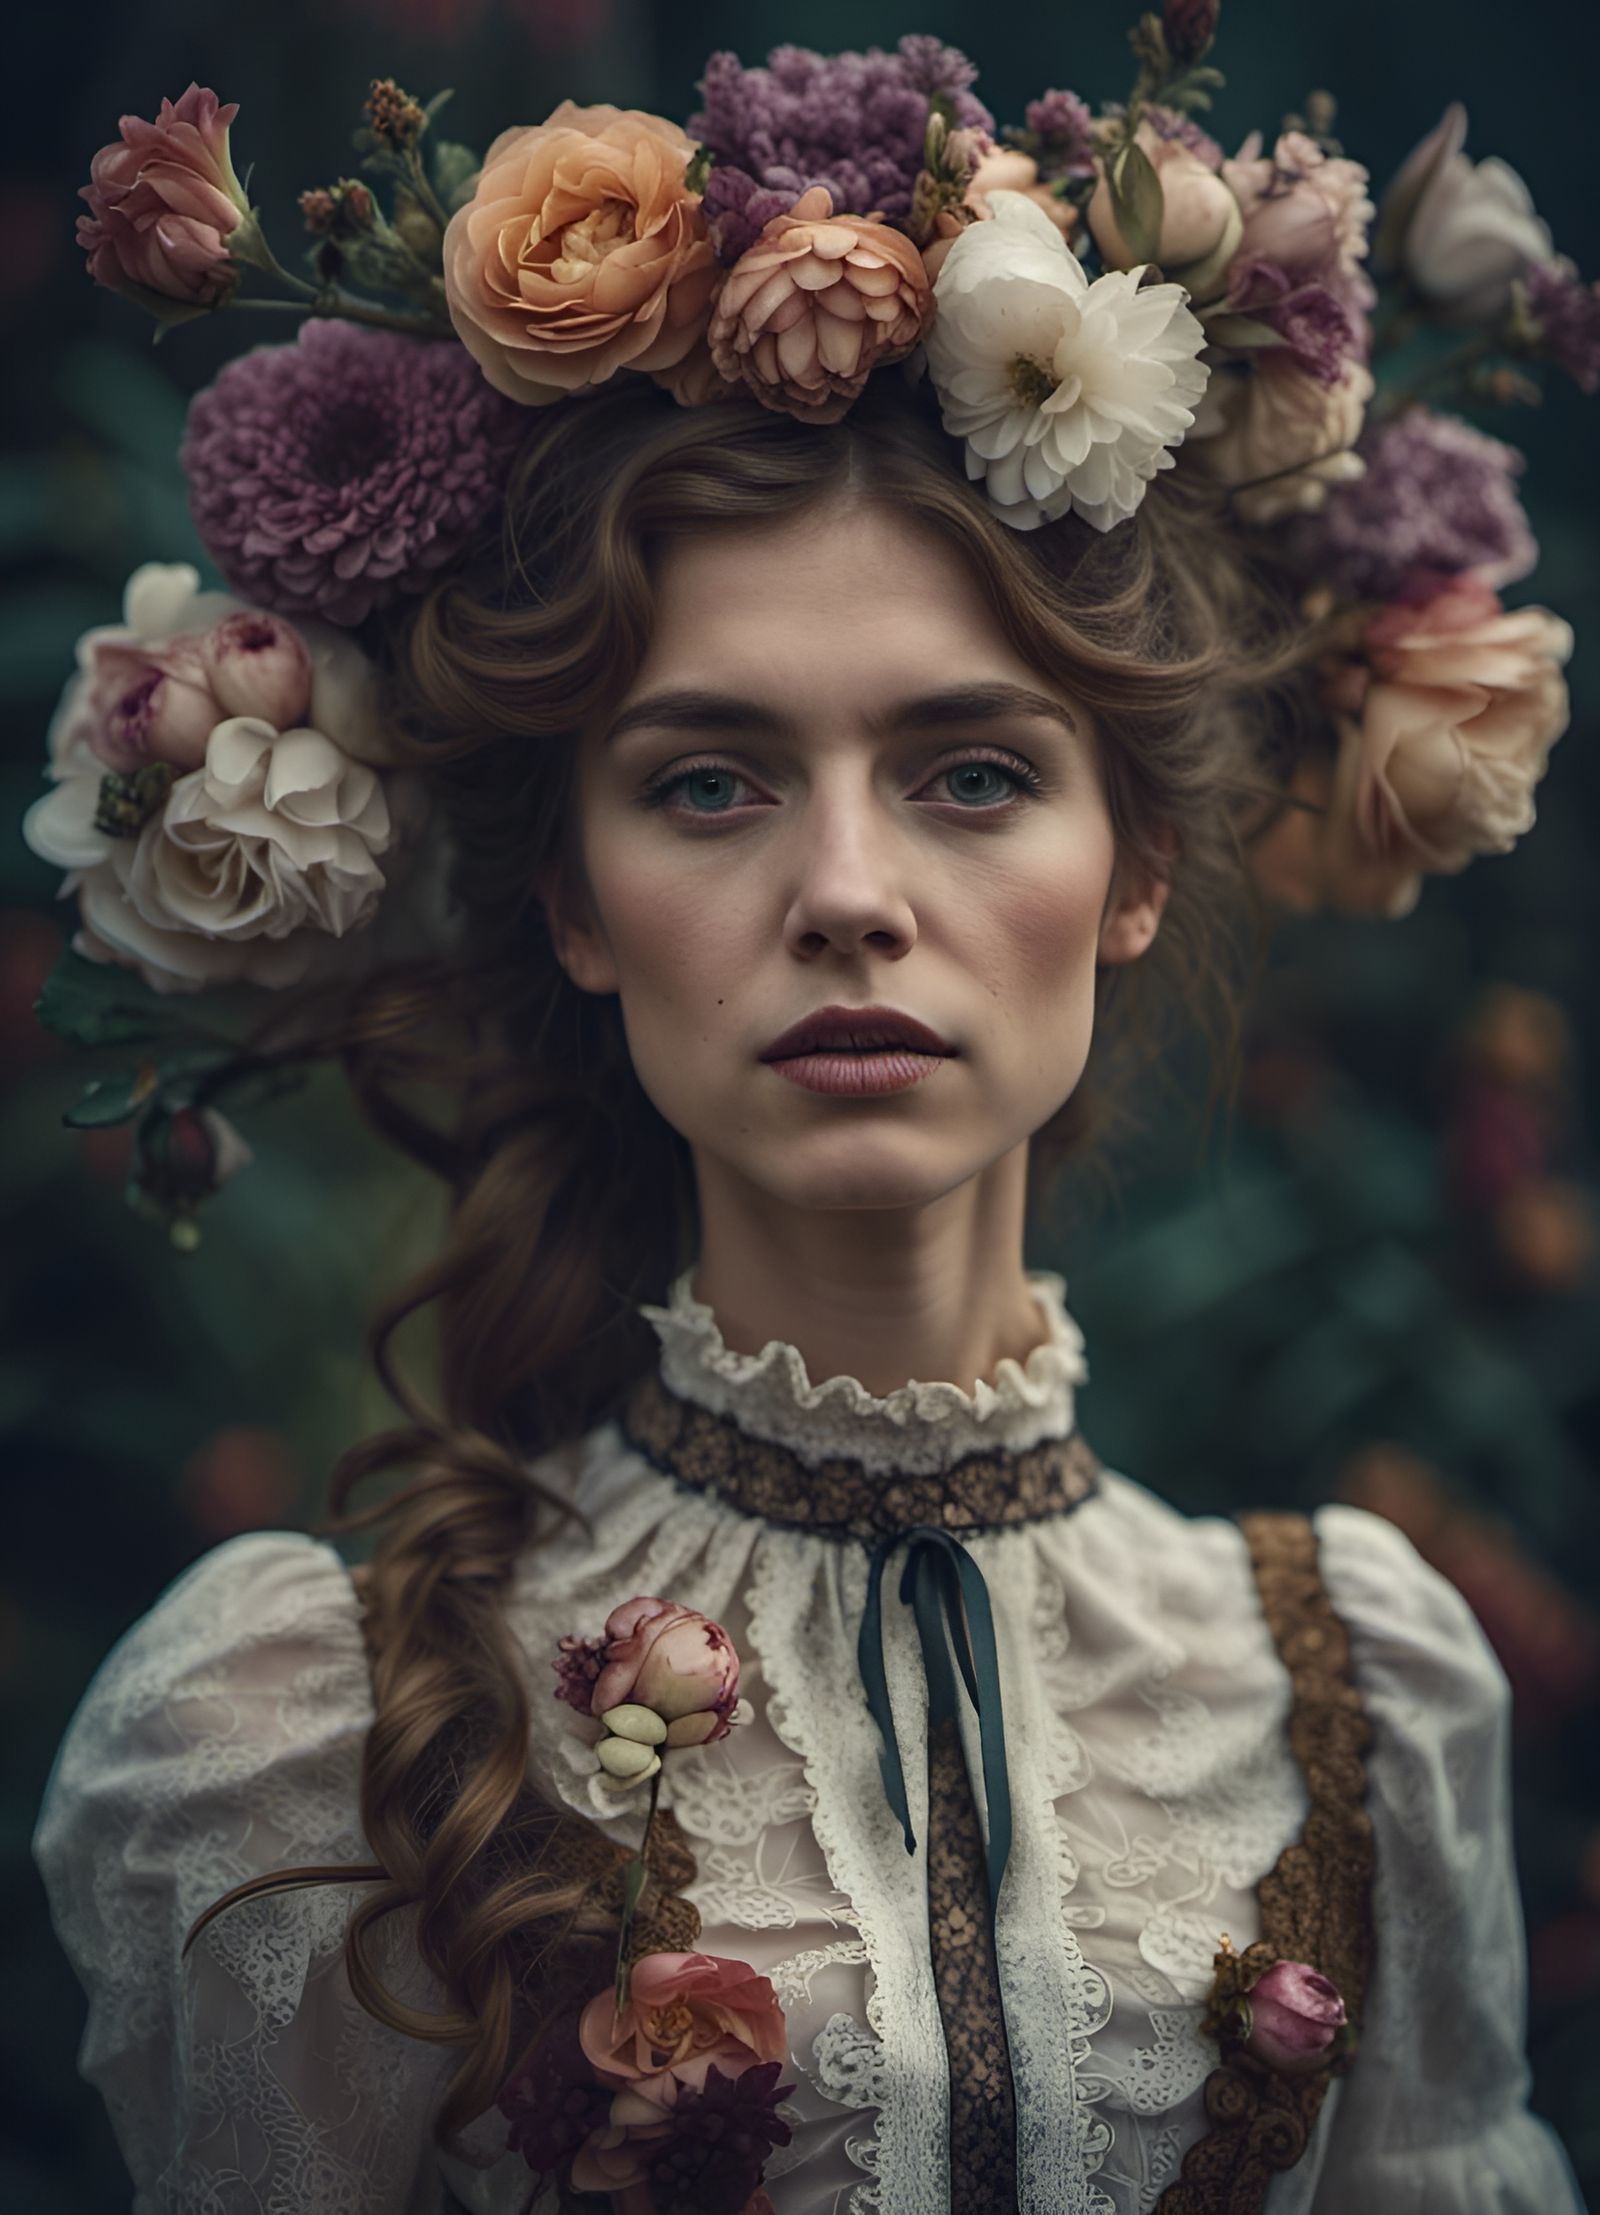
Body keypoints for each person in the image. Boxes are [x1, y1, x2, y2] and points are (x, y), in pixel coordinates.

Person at [26, 30, 1593, 2215]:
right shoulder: (288, 1731)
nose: (847, 892)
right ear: (574, 895)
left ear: (1132, 867)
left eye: (970, 772)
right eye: (707, 780)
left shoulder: (1360, 1680)